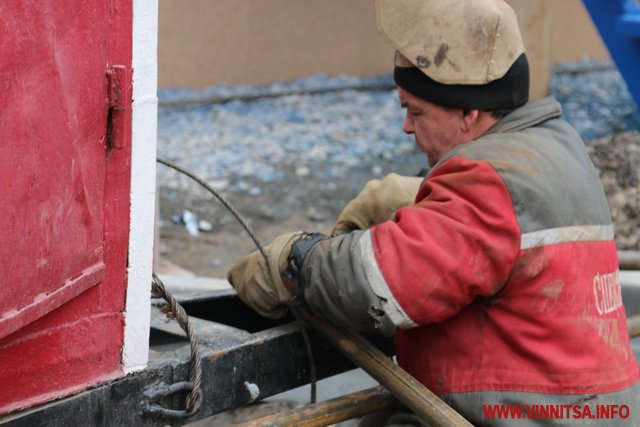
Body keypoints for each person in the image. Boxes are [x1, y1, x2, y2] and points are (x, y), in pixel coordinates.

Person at [228, 0, 640, 425]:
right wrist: (417, 201)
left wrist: (296, 261)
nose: (406, 125)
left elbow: (375, 285)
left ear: (469, 112)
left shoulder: (486, 184)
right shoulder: (554, 148)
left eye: (416, 110)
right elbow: (510, 227)